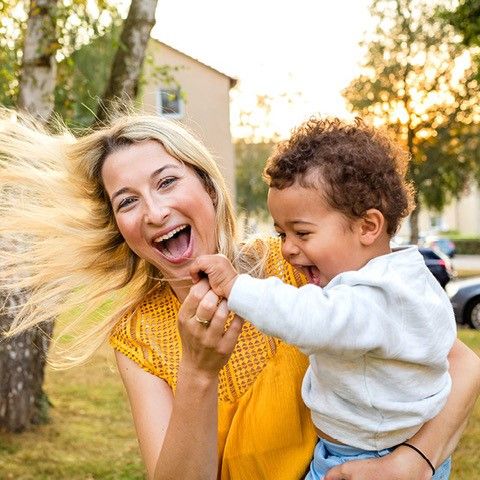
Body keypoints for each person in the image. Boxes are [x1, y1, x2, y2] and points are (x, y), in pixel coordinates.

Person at [0, 110, 479, 480]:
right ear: (120, 225)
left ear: (208, 188)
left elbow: (458, 363)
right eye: (127, 201)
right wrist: (198, 372)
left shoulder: (295, 264)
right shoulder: (138, 337)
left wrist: (414, 461)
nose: (154, 210)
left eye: (167, 181)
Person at [191, 117, 458, 478]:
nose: (287, 248)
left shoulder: (375, 298)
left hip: (368, 458)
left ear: (367, 227)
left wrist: (236, 285)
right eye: (281, 233)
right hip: (381, 446)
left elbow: (308, 318)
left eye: (301, 232)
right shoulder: (409, 277)